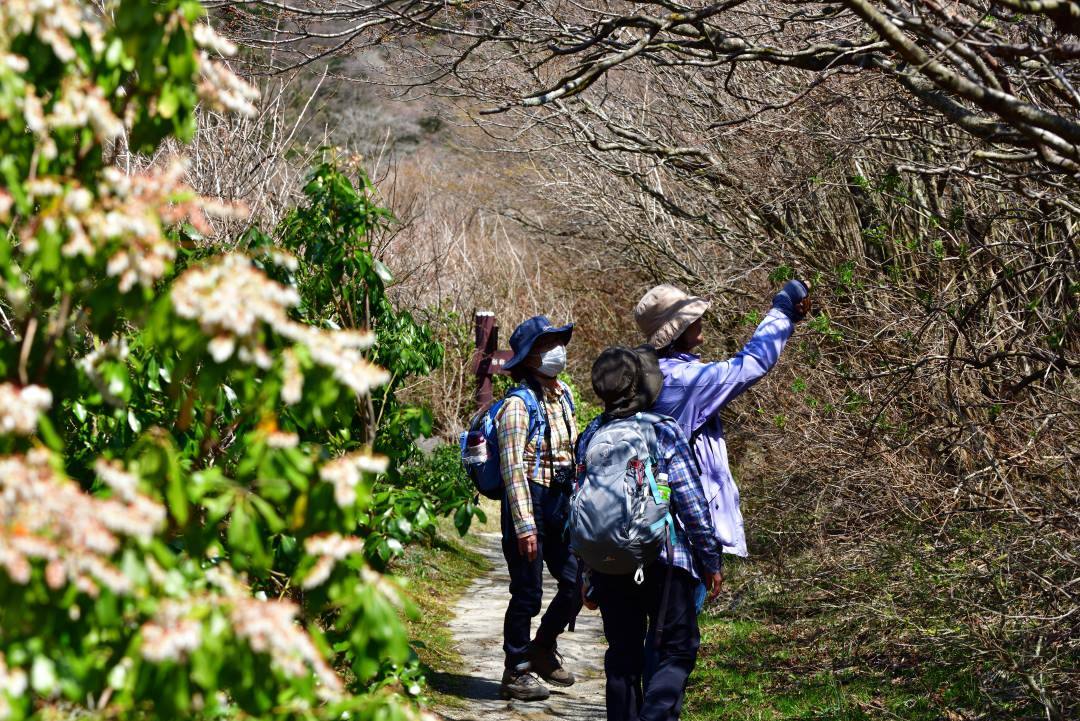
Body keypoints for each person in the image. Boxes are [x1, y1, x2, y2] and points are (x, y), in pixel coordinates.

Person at [579, 345, 723, 721]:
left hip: (609, 564)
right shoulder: (662, 430)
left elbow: (577, 509)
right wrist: (709, 559)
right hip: (663, 559)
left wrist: (587, 574)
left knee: (622, 659)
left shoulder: (590, 434)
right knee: (676, 650)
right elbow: (691, 503)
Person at [633, 280, 812, 560]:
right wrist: (783, 310)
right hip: (680, 535)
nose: (700, 319)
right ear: (678, 329)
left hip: (647, 523)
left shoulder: (646, 377)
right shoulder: (685, 382)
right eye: (692, 317)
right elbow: (751, 363)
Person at [496, 315, 581, 701]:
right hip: (529, 503)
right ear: (530, 359)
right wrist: (525, 526)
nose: (557, 352)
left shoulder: (564, 396)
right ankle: (516, 670)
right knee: (527, 593)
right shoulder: (517, 405)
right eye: (547, 347)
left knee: (576, 582)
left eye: (557, 343)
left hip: (560, 505)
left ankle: (543, 648)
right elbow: (512, 469)